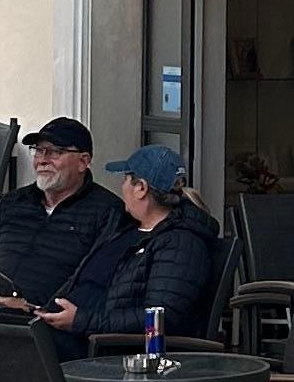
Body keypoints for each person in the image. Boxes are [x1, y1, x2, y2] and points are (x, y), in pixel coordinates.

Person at [38, 143, 222, 340]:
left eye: (126, 179)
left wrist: (83, 321)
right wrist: (45, 310)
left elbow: (161, 316)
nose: (122, 187)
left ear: (141, 188)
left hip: (104, 345)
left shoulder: (181, 243)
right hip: (70, 331)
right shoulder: (125, 229)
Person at [0, 116, 125, 311]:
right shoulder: (13, 202)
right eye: (39, 151)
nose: (42, 160)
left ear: (83, 161)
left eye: (55, 152)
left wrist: (32, 308)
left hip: (46, 323)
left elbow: (95, 283)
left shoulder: (107, 212)